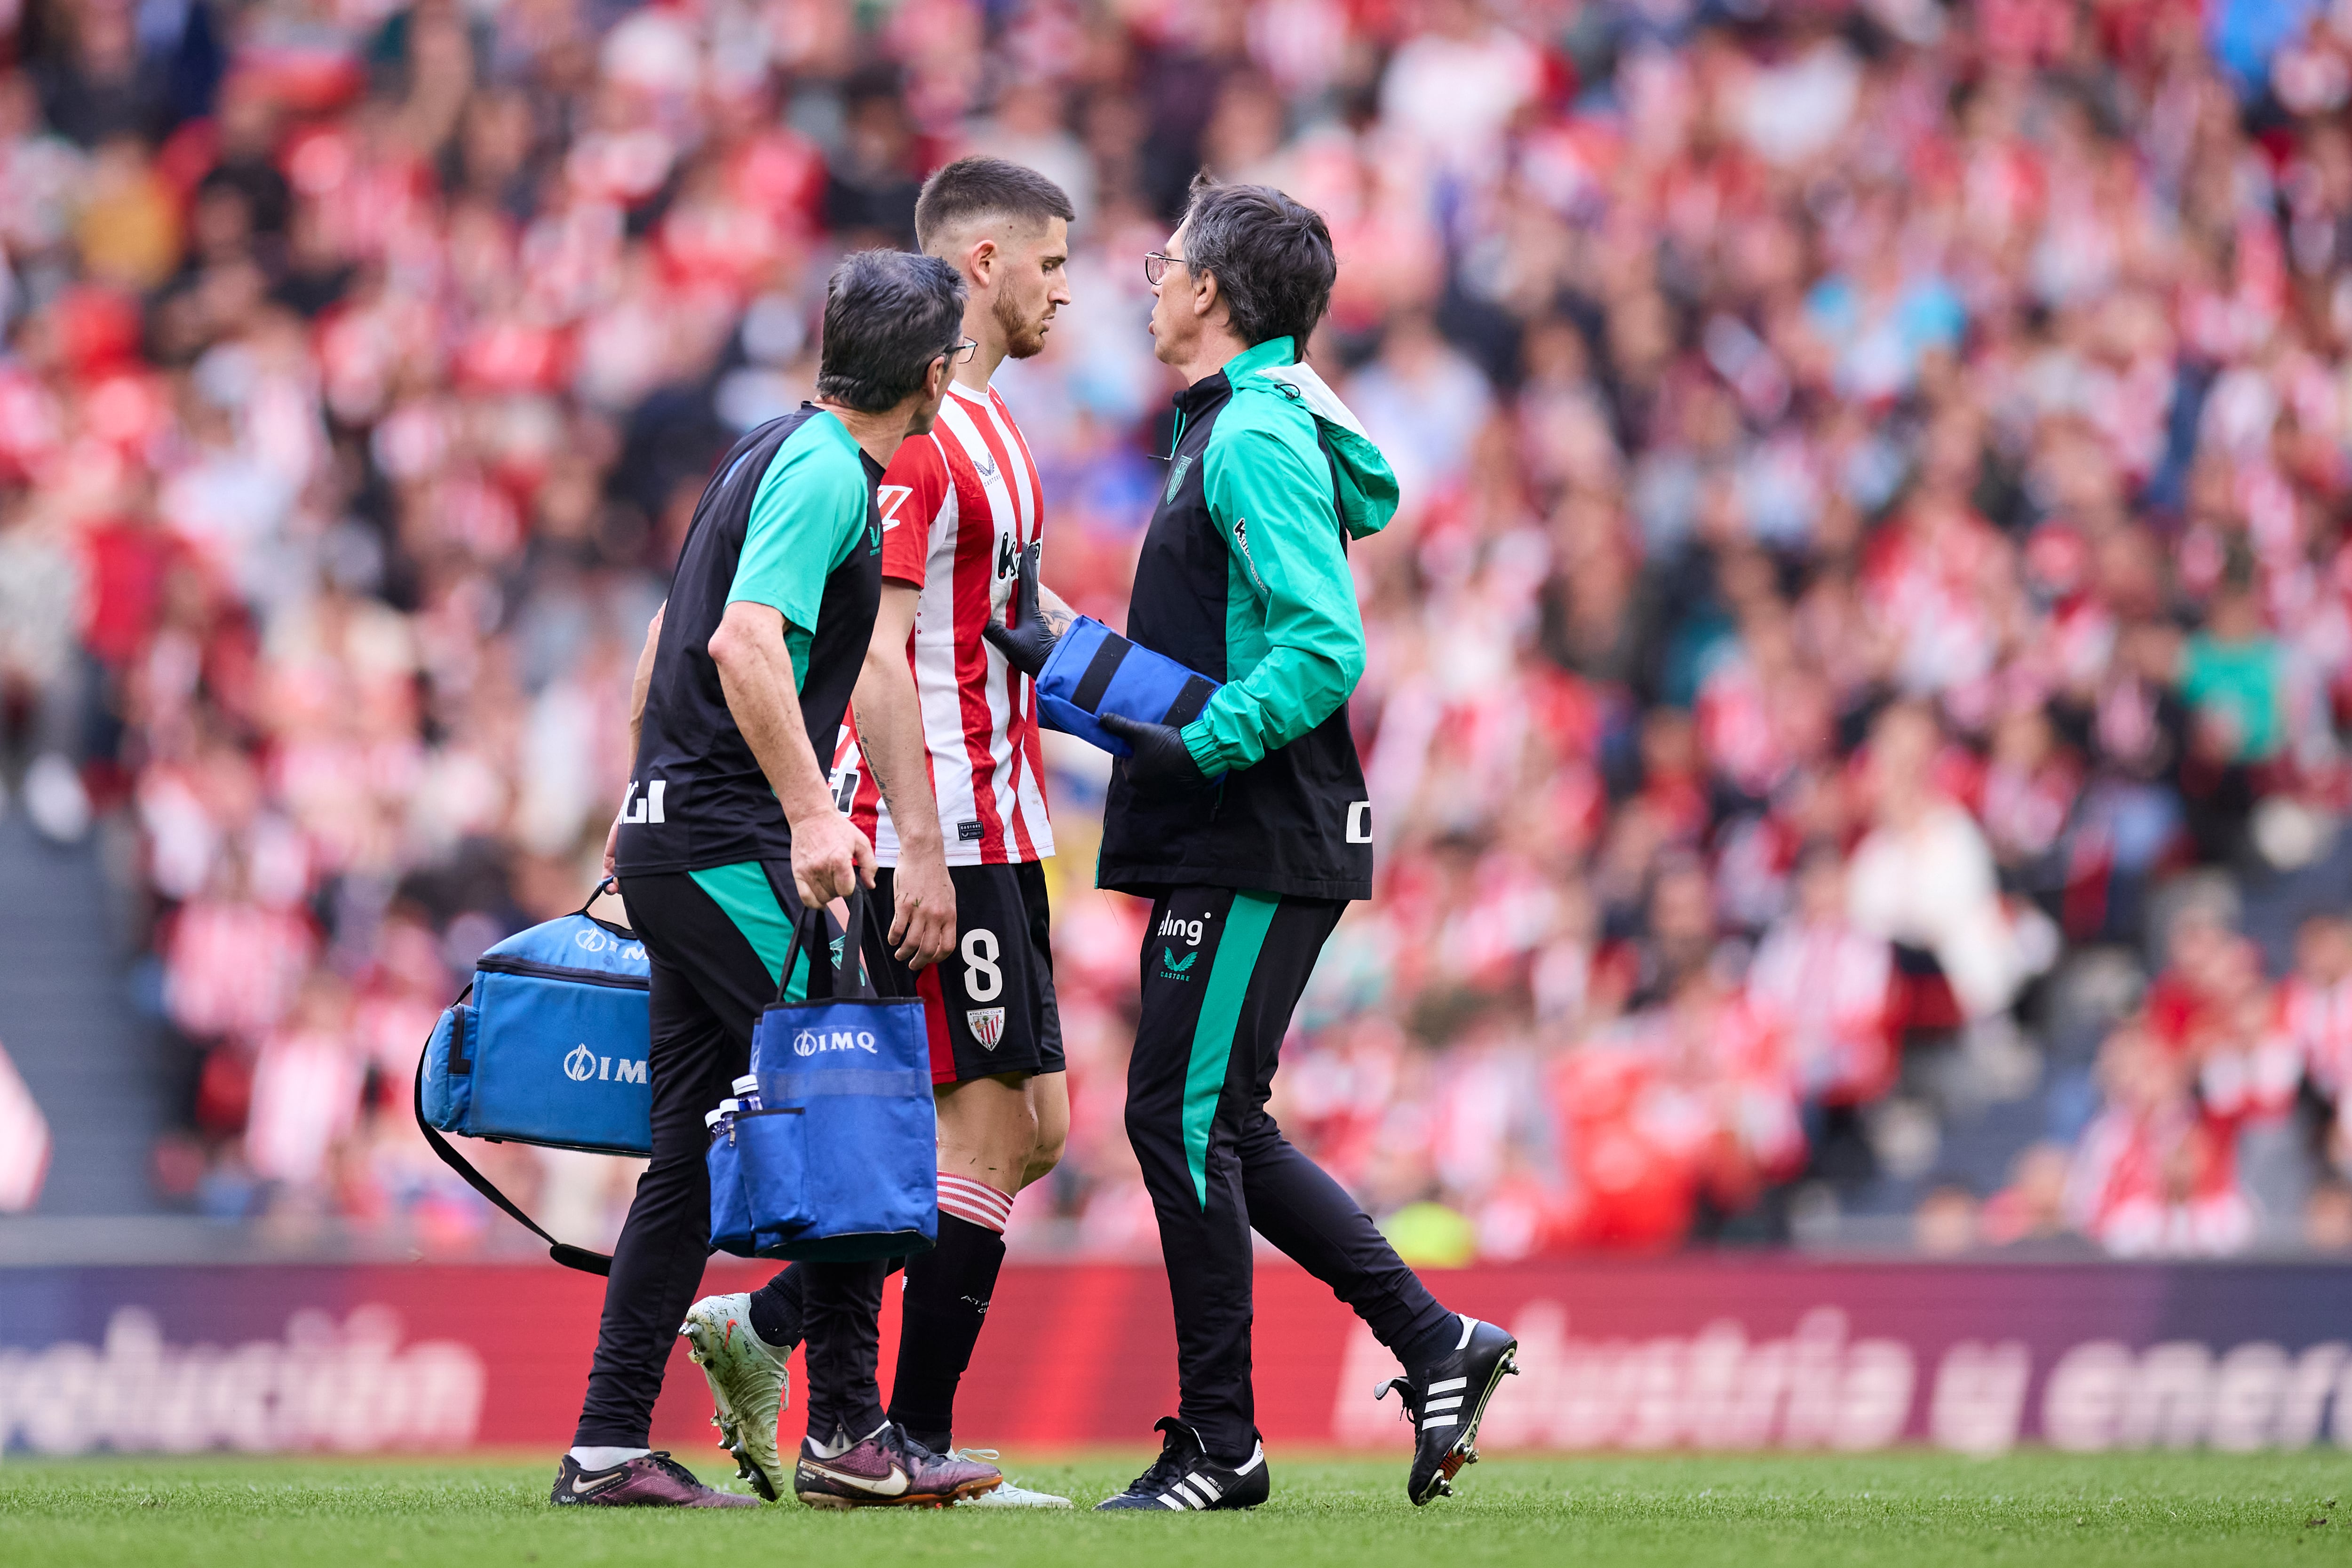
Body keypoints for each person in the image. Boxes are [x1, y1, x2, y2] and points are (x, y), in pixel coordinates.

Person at [992, 174, 1516, 1511]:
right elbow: (1217, 655)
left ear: (1213, 291)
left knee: (1177, 1118)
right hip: (1250, 832)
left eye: (1167, 262)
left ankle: (1225, 1445)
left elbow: (1321, 646)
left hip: (1258, 833)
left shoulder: (1251, 439)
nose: (1148, 280)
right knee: (1215, 1117)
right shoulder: (1239, 425)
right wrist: (1064, 661)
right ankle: (1434, 1342)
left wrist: (1204, 748)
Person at [554, 248, 1001, 1510]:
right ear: (933, 373)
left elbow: (668, 633)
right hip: (730, 839)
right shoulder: (828, 474)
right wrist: (812, 813)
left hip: (677, 832)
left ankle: (604, 1447)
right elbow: (742, 641)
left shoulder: (768, 448)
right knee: (850, 1103)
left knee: (685, 1165)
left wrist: (635, 806)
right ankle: (850, 1435)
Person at [676, 156, 1080, 1509]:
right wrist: (908, 838)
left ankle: (771, 1328)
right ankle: (896, 1438)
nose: (1065, 292)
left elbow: (1001, 617)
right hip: (941, 821)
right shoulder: (910, 445)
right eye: (1051, 263)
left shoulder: (998, 431)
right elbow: (878, 654)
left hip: (1006, 816)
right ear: (981, 268)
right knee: (970, 1136)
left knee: (1036, 1131)